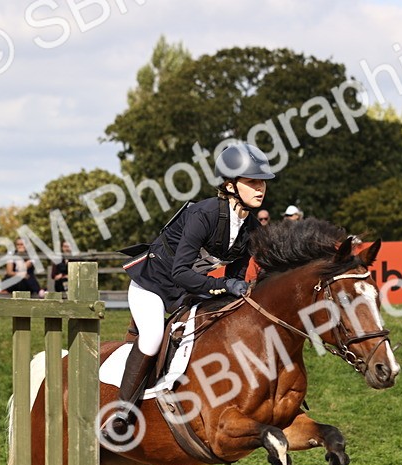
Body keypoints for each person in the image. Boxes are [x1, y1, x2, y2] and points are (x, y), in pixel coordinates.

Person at [104, 140, 274, 439]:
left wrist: (237, 290)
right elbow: (180, 271)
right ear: (231, 185)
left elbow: (233, 278)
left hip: (190, 290)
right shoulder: (204, 214)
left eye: (262, 182)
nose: (260, 188)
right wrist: (223, 285)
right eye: (252, 182)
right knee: (154, 336)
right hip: (153, 285)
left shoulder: (250, 229)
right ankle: (122, 413)